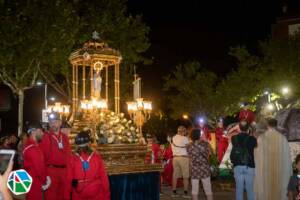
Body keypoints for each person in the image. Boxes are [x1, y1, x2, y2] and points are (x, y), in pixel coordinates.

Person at [65, 130, 110, 200]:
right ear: (89, 143)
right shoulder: (96, 157)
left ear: (76, 145)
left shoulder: (72, 158)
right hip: (95, 190)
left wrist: (66, 196)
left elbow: (68, 179)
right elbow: (104, 177)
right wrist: (107, 195)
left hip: (79, 192)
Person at [254, 118, 292, 200]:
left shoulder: (261, 138)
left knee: (265, 188)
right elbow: (287, 158)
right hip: (279, 170)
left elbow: (256, 155)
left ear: (267, 125)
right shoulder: (282, 139)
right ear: (276, 125)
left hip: (265, 170)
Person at [39, 112, 71, 200]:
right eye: (51, 122)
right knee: (51, 196)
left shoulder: (65, 137)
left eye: (55, 121)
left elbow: (68, 156)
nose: (53, 124)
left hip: (64, 171)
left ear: (60, 123)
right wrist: (45, 174)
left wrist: (69, 173)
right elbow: (41, 158)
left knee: (64, 196)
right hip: (51, 171)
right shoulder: (45, 137)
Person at [23, 122, 51, 200]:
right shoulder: (32, 148)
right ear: (33, 131)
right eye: (40, 131)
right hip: (34, 183)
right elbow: (39, 168)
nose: (42, 133)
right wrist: (45, 180)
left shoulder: (32, 146)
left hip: (33, 182)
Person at [230, 121, 257, 200]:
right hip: (250, 165)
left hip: (237, 165)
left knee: (239, 189)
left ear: (239, 128)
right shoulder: (252, 139)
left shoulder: (234, 138)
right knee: (250, 189)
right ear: (248, 128)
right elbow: (255, 146)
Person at [187, 129, 213, 200]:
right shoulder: (206, 144)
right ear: (199, 135)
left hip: (194, 169)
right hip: (204, 169)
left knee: (194, 190)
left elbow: (189, 157)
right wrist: (205, 140)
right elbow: (209, 155)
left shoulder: (189, 146)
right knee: (208, 189)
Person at [171, 126, 191, 199]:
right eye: (185, 132)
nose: (185, 133)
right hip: (183, 158)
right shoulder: (184, 138)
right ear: (183, 131)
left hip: (175, 158)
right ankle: (185, 193)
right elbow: (189, 148)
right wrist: (188, 139)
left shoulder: (173, 138)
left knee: (175, 175)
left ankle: (174, 192)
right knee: (185, 176)